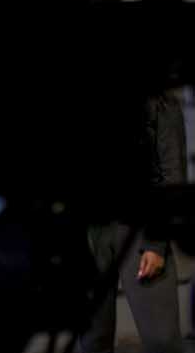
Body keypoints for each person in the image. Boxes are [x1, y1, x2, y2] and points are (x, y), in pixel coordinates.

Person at [78, 89, 188, 353]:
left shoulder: (159, 99)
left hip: (142, 230)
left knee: (162, 341)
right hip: (88, 232)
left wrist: (157, 243)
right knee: (93, 341)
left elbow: (172, 175)